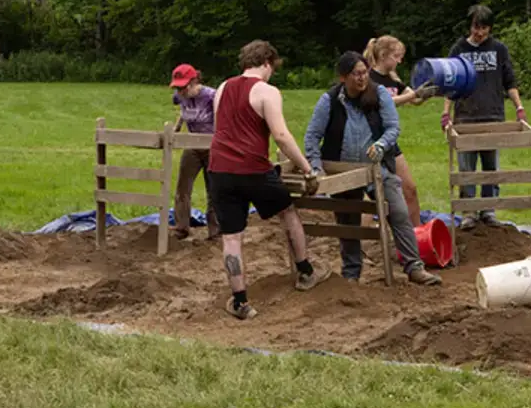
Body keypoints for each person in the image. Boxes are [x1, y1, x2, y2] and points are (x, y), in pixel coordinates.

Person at [207, 40, 332, 320]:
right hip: (252, 168)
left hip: (220, 169)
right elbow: (282, 136)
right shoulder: (267, 91)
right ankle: (305, 272)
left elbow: (222, 129)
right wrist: (307, 168)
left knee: (232, 236)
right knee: (287, 211)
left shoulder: (223, 88)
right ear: (267, 63)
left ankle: (240, 301)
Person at [303, 52, 443, 286]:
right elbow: (312, 136)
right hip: (343, 171)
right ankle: (351, 273)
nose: (361, 78)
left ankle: (414, 266)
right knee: (348, 221)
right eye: (356, 74)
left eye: (364, 72)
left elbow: (392, 127)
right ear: (343, 78)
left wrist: (381, 145)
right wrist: (316, 168)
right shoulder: (329, 100)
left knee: (398, 212)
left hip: (377, 168)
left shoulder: (378, 94)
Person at [441, 5, 528, 224]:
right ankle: (469, 212)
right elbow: (451, 85)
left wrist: (519, 108)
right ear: (469, 26)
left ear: (490, 28)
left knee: (491, 168)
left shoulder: (499, 49)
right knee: (466, 168)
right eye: (476, 27)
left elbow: (509, 81)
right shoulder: (459, 49)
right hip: (465, 117)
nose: (479, 32)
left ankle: (489, 210)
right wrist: (446, 113)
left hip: (493, 115)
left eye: (484, 28)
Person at [363, 36, 433, 226]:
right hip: (370, 142)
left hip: (390, 142)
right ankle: (366, 237)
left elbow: (414, 99)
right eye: (396, 56)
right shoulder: (368, 78)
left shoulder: (393, 80)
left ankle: (418, 234)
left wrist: (427, 92)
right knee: (371, 194)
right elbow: (383, 102)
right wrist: (412, 95)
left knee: (410, 188)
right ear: (384, 55)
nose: (399, 61)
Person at [168, 64, 219, 240]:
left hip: (212, 146)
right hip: (192, 144)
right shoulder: (179, 97)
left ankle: (215, 230)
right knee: (183, 186)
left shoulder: (211, 96)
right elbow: (183, 112)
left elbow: (221, 119)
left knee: (213, 188)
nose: (180, 91)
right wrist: (176, 128)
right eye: (177, 87)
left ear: (194, 81)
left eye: (183, 87)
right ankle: (181, 227)